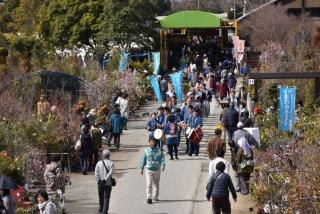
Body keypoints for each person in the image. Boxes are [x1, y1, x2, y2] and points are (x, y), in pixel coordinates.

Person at [139, 138, 165, 204]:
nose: (152, 143)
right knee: (149, 184)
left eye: (153, 142)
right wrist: (141, 168)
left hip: (157, 170)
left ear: (155, 142)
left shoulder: (158, 150)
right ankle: (149, 198)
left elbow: (162, 158)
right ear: (149, 142)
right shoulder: (146, 150)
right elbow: (143, 159)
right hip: (149, 170)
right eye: (151, 141)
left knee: (156, 184)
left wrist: (163, 165)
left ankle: (155, 196)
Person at [95, 150, 114, 214]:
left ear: (103, 155)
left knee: (101, 197)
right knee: (106, 198)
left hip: (100, 183)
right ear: (109, 155)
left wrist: (99, 180)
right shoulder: (111, 163)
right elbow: (110, 173)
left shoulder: (99, 163)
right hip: (108, 183)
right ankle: (105, 211)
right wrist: (105, 179)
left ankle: (101, 208)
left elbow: (96, 172)